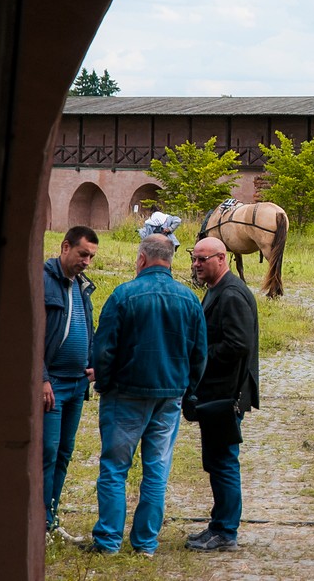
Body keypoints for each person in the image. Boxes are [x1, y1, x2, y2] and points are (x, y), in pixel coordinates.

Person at [86, 234, 207, 556]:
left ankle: (109, 541)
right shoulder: (189, 299)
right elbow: (199, 353)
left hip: (126, 393)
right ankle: (146, 544)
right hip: (169, 394)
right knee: (156, 469)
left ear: (141, 259)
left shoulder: (124, 295)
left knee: (114, 468)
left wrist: (104, 384)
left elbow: (105, 347)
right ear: (171, 260)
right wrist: (187, 390)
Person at [186, 236, 260, 553]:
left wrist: (199, 354)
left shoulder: (231, 294)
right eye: (194, 257)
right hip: (215, 392)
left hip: (226, 393)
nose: (196, 264)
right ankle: (218, 525)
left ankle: (226, 531)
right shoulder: (217, 290)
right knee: (216, 461)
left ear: (222, 258)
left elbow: (238, 345)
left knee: (224, 462)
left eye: (203, 259)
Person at [42, 226, 100, 543]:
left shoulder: (81, 285)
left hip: (77, 385)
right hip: (53, 385)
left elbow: (86, 328)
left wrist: (91, 362)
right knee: (47, 452)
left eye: (91, 256)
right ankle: (39, 522)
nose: (87, 261)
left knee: (64, 452)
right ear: (65, 247)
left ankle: (51, 518)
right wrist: (41, 378)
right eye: (82, 254)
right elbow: (30, 336)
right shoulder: (43, 280)